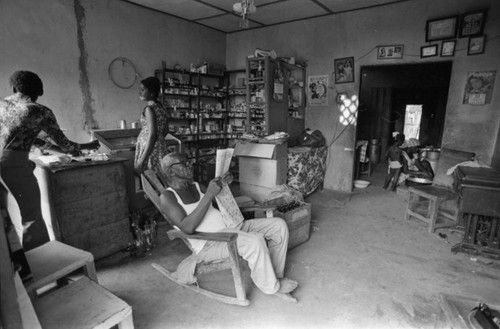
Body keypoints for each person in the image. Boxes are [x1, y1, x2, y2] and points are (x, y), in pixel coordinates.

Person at [158, 152, 299, 302]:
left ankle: (274, 277)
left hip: (232, 229)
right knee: (255, 241)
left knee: (279, 225)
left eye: (188, 161)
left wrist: (224, 186)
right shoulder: (168, 197)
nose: (189, 165)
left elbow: (221, 202)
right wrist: (209, 194)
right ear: (171, 171)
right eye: (183, 163)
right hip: (211, 243)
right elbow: (187, 228)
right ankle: (272, 287)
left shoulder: (197, 186)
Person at [0, 70, 100, 250]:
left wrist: (52, 148)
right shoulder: (39, 110)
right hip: (13, 166)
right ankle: (41, 263)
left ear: (14, 87)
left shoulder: (2, 104)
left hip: (5, 162)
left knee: (5, 221)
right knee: (32, 217)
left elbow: (27, 138)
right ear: (37, 93)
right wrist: (88, 146)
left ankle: (13, 271)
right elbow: (67, 146)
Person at [134, 76, 170, 175]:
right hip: (160, 148)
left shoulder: (149, 109)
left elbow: (152, 135)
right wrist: (158, 141)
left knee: (151, 181)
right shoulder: (162, 107)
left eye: (142, 90)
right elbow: (166, 130)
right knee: (160, 180)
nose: (139, 92)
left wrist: (141, 160)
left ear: (152, 93)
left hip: (149, 151)